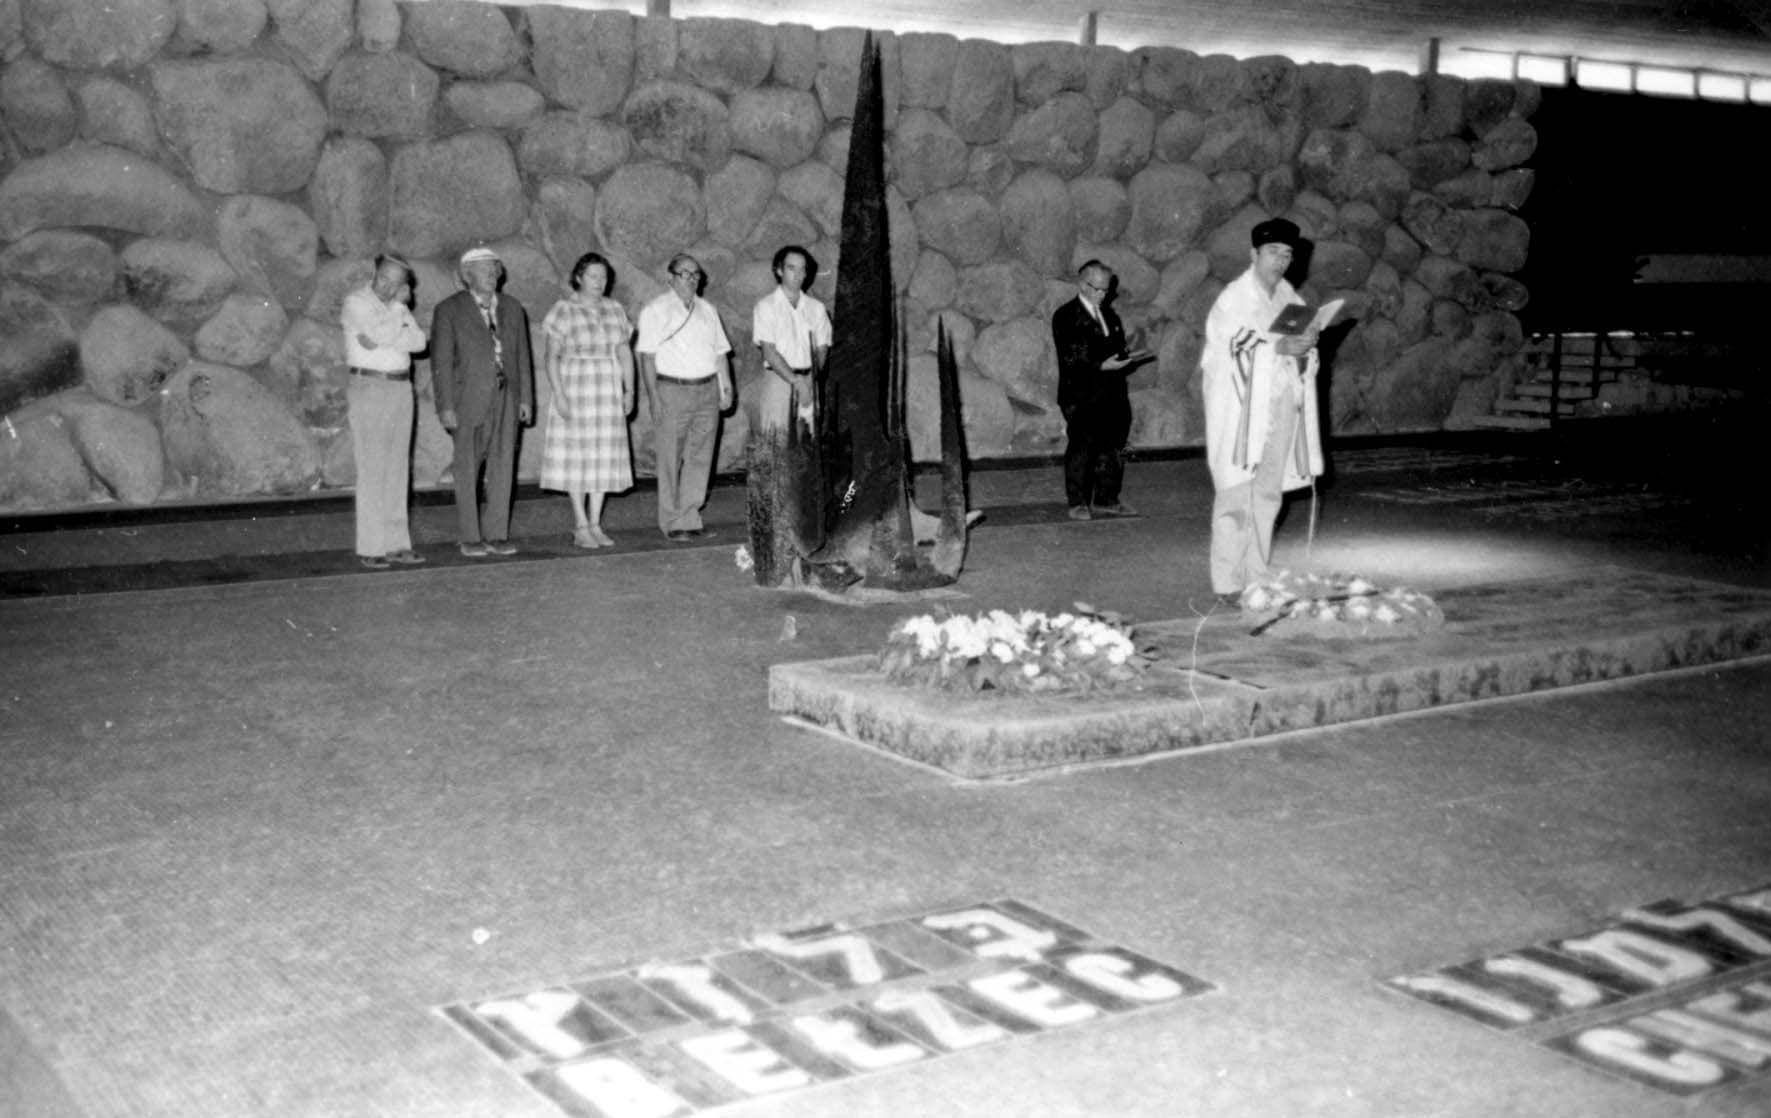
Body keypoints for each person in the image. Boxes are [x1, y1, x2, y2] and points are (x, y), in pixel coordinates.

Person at [1200, 218, 1325, 605]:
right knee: (1236, 495)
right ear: (1254, 254)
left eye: (1287, 254)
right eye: (1273, 252)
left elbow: (1303, 354)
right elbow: (1228, 353)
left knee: (1268, 493)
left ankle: (1257, 573)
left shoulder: (1291, 298)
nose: (1281, 261)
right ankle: (1227, 581)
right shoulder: (1233, 299)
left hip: (1282, 403)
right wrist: (1278, 350)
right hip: (1242, 413)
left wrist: (1306, 348)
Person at [431, 245, 534, 558]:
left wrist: (526, 398)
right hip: (468, 399)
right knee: (467, 468)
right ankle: (469, 536)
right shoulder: (449, 309)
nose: (492, 274)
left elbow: (522, 358)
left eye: (495, 269)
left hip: (507, 396)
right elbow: (442, 362)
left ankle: (497, 534)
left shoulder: (513, 308)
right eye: (484, 269)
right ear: (467, 275)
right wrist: (446, 406)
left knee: (504, 466)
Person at [635, 253, 733, 541]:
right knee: (670, 457)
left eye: (695, 275)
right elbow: (647, 356)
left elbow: (720, 353)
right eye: (683, 274)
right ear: (670, 277)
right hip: (672, 390)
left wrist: (726, 387)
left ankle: (690, 515)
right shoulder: (655, 310)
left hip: (706, 389)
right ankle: (671, 519)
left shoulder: (708, 310)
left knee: (700, 456)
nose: (690, 279)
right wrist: (653, 396)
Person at [539, 253, 635, 549]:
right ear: (579, 277)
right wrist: (560, 395)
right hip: (575, 388)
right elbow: (551, 357)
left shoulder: (615, 309)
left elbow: (624, 353)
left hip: (606, 390)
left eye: (603, 277)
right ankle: (580, 524)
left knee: (602, 457)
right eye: (593, 276)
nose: (599, 282)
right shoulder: (564, 310)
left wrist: (629, 390)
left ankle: (595, 523)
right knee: (577, 457)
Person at [341, 253, 428, 570]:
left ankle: (397, 544)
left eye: (396, 284)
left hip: (400, 388)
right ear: (374, 273)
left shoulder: (395, 309)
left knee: (397, 467)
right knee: (373, 465)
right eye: (383, 279)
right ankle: (372, 546)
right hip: (370, 387)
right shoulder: (356, 302)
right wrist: (397, 311)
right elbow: (373, 338)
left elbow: (418, 342)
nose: (387, 288)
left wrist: (388, 331)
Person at [1052, 259, 1137, 520]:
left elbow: (1115, 349)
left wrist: (1127, 357)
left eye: (1106, 290)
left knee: (1114, 444)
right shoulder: (1066, 315)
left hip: (1112, 391)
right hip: (1080, 393)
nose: (1102, 295)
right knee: (1083, 445)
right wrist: (1101, 365)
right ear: (1082, 284)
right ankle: (1077, 501)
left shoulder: (1110, 315)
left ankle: (1106, 498)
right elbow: (1071, 358)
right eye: (1097, 289)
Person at [751, 244, 831, 432]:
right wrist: (796, 381)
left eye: (803, 269)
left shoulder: (817, 308)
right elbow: (769, 353)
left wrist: (810, 380)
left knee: (809, 445)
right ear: (779, 270)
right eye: (791, 268)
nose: (798, 274)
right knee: (776, 445)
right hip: (780, 383)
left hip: (810, 380)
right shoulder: (766, 306)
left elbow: (822, 348)